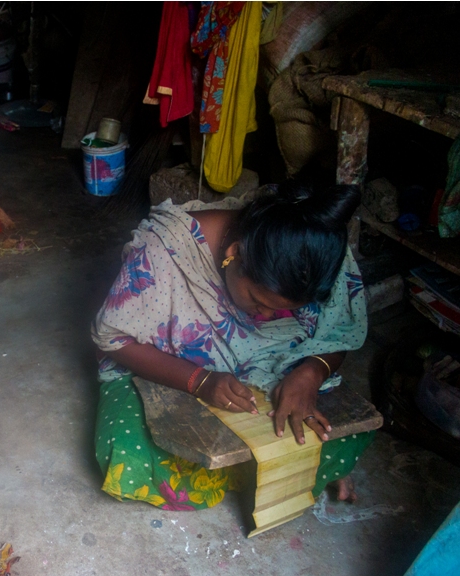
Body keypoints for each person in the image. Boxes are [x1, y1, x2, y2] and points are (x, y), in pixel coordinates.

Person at [92, 183, 371, 510]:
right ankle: (287, 471)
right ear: (234, 254)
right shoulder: (163, 251)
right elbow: (113, 340)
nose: (268, 316)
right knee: (128, 456)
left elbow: (339, 331)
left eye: (285, 310)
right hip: (169, 371)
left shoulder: (316, 250)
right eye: (258, 301)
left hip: (274, 369)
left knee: (346, 436)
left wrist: (312, 373)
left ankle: (263, 468)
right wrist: (200, 380)